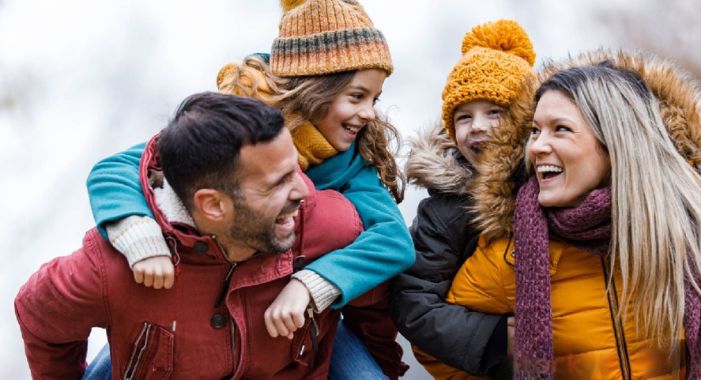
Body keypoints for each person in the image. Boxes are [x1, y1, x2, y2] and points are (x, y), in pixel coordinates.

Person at [84, 0, 413, 378]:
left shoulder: (351, 165)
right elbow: (118, 168)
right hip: (197, 297)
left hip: (292, 315)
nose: (370, 113)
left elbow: (393, 239)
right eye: (356, 96)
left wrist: (311, 284)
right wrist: (139, 232)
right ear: (314, 88)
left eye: (375, 98)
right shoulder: (236, 121)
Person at [451, 50, 701, 378]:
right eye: (535, 130)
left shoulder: (685, 229)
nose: (537, 146)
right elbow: (440, 350)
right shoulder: (513, 252)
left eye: (560, 129)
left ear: (614, 143)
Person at [15, 92, 367, 378]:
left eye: (296, 170)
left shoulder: (331, 227)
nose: (303, 193)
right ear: (213, 206)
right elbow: (39, 312)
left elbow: (376, 309)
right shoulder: (112, 269)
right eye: (278, 183)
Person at [390, 20, 535, 379]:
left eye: (495, 112)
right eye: (463, 117)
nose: (478, 127)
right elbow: (414, 301)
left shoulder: (555, 185)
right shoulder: (446, 208)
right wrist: (496, 335)